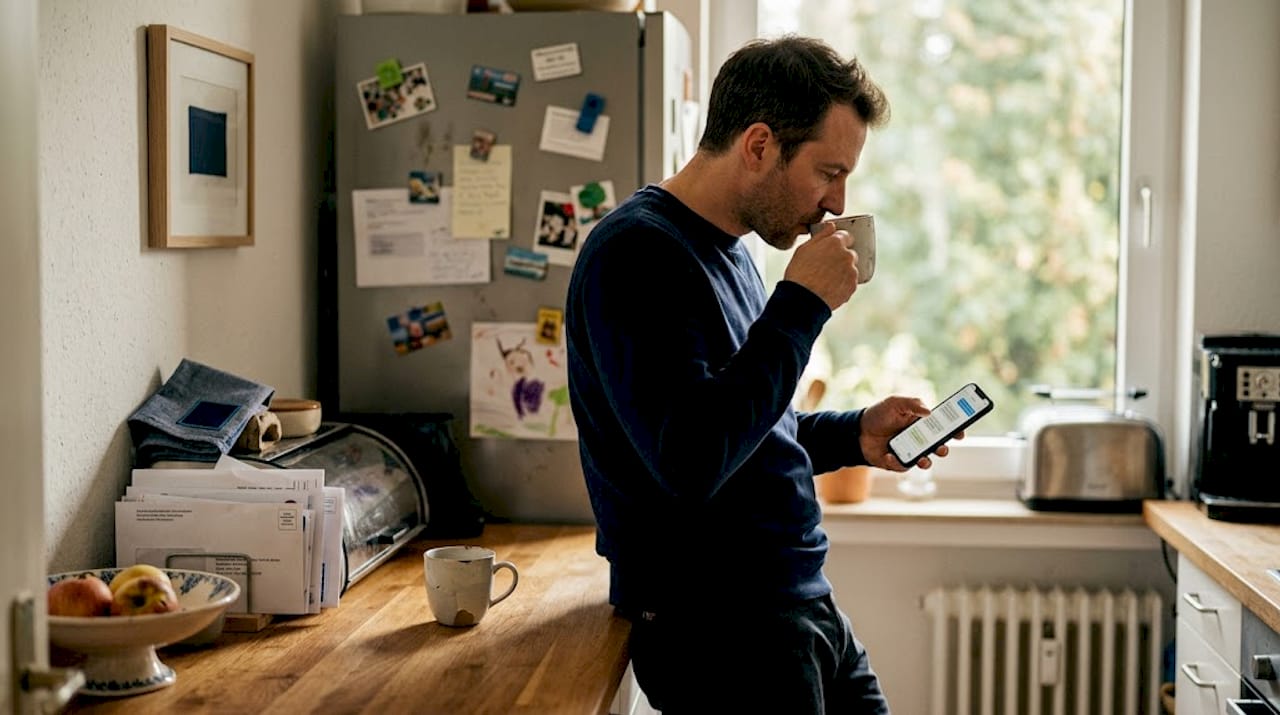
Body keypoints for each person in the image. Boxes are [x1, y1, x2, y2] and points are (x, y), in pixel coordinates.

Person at [565, 35, 961, 714]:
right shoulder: (635, 255)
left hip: (797, 603)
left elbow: (748, 430)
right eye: (828, 172)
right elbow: (689, 458)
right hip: (723, 633)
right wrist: (801, 306)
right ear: (758, 146)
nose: (837, 201)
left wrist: (854, 436)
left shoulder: (734, 253)